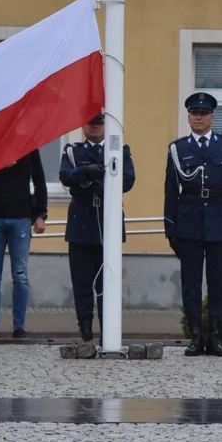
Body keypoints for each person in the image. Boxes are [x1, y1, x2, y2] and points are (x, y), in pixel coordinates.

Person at [164, 92, 222, 357]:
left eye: (203, 114)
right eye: (194, 113)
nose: (198, 118)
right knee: (190, 283)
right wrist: (170, 228)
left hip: (220, 221)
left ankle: (214, 336)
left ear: (212, 118)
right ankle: (195, 337)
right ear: (188, 117)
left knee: (218, 282)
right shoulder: (178, 149)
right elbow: (170, 191)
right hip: (188, 222)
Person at [59, 114, 136, 343]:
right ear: (83, 125)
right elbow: (65, 176)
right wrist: (86, 173)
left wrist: (99, 182)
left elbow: (128, 179)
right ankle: (85, 332)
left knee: (107, 283)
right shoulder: (73, 151)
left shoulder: (118, 149)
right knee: (81, 282)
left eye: (99, 122)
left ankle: (108, 334)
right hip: (81, 220)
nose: (95, 126)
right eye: (91, 122)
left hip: (107, 218)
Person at [0, 149, 49, 339]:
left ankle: (19, 327)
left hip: (20, 216)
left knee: (20, 274)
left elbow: (39, 179)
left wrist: (41, 214)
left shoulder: (28, 145)